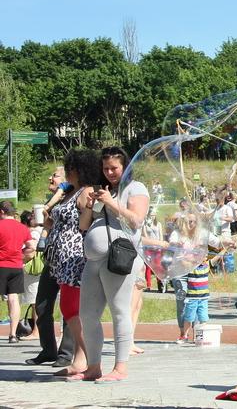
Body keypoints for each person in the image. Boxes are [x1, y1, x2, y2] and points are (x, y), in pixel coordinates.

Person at [77, 146, 149, 383]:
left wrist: (111, 202)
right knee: (87, 315)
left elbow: (136, 220)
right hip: (93, 260)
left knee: (119, 312)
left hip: (118, 258)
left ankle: (120, 367)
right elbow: (84, 226)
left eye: (114, 168)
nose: (109, 172)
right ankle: (93, 366)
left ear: (125, 167)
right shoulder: (103, 189)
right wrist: (91, 205)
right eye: (105, 168)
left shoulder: (135, 188)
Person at [45, 149, 100, 377]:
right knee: (72, 308)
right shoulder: (70, 192)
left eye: (70, 168)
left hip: (75, 257)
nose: (67, 173)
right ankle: (80, 361)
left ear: (78, 170)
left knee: (70, 307)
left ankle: (92, 359)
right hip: (62, 258)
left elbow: (89, 221)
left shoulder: (85, 191)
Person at [25, 167, 76, 367]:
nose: (50, 178)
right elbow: (48, 225)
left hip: (69, 259)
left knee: (69, 306)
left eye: (55, 175)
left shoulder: (74, 197)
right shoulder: (57, 201)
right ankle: (48, 350)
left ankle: (66, 353)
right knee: (42, 305)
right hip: (52, 258)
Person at [0, 201, 36, 344]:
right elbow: (32, 246)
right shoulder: (22, 228)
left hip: (1, 265)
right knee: (14, 298)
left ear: (2, 212)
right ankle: (13, 334)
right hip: (16, 266)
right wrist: (20, 254)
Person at [179, 248, 226, 343]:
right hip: (192, 298)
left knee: (203, 318)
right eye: (203, 256)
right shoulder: (190, 267)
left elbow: (217, 257)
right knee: (189, 318)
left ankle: (200, 337)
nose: (206, 257)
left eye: (206, 256)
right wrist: (181, 253)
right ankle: (185, 336)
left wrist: (225, 249)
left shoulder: (207, 265)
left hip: (203, 299)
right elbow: (182, 261)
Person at [19, 211, 43, 340]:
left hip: (33, 271)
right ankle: (36, 330)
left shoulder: (34, 233)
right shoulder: (41, 230)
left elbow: (31, 252)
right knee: (35, 301)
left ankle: (36, 331)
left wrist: (19, 259)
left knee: (34, 301)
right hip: (38, 270)